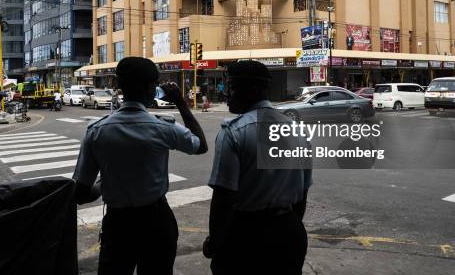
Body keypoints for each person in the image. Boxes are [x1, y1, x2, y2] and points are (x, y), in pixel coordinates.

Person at [73, 57, 208, 275]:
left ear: (119, 86)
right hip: (156, 222)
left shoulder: (97, 131)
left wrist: (103, 185)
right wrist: (181, 103)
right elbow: (200, 145)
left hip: (118, 226)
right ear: (149, 88)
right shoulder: (163, 128)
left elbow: (80, 193)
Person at [203, 60, 312, 275]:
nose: (226, 95)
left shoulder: (234, 132)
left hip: (245, 236)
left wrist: (214, 242)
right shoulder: (299, 132)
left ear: (251, 91)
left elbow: (224, 197)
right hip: (289, 233)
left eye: (232, 88)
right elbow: (302, 195)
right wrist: (284, 227)